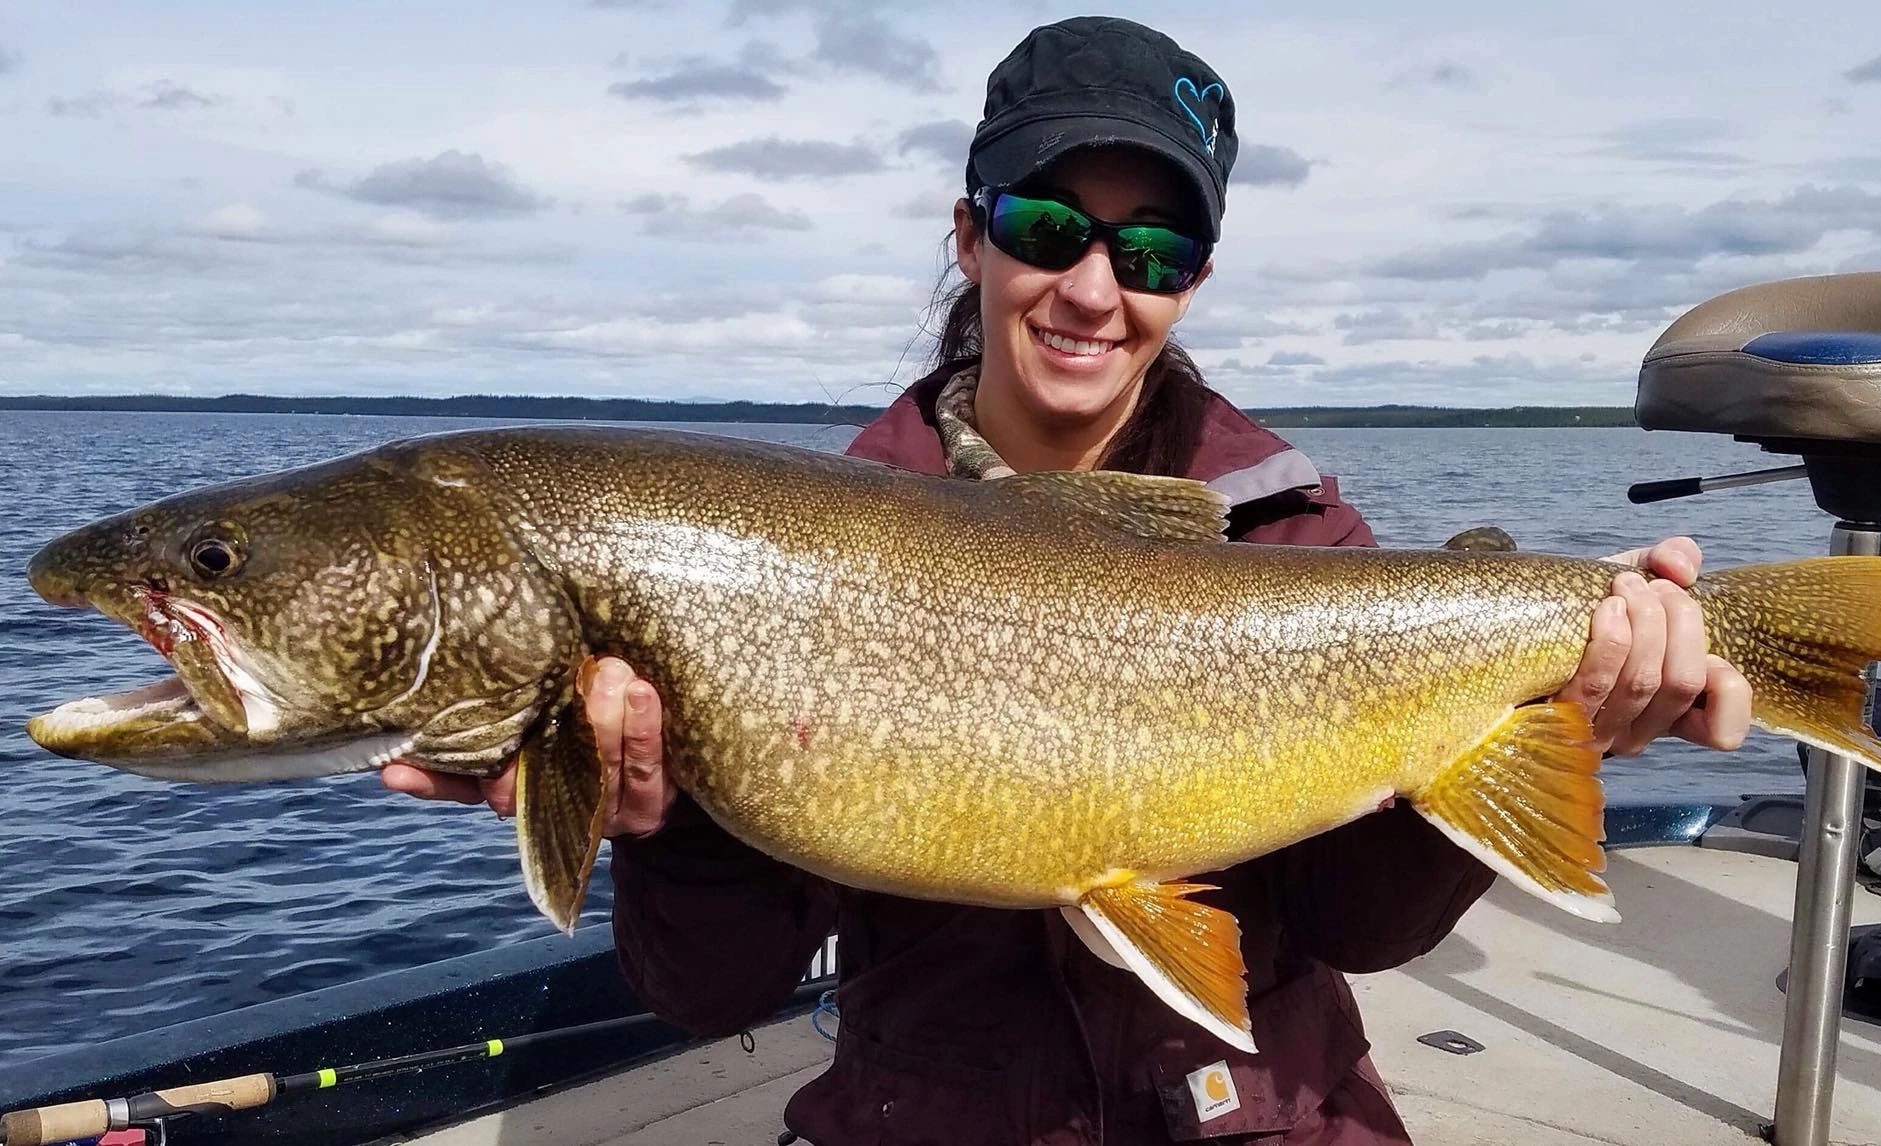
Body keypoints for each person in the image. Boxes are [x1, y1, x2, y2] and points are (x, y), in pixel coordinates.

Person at [383, 15, 1752, 1144]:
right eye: (1048, 225)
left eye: (1151, 252)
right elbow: (711, 988)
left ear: (1193, 282)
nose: (1095, 286)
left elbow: (1358, 921)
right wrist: (661, 818)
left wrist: (1567, 712)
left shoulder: (1293, 535)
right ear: (970, 230)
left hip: (1262, 1109)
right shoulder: (804, 555)